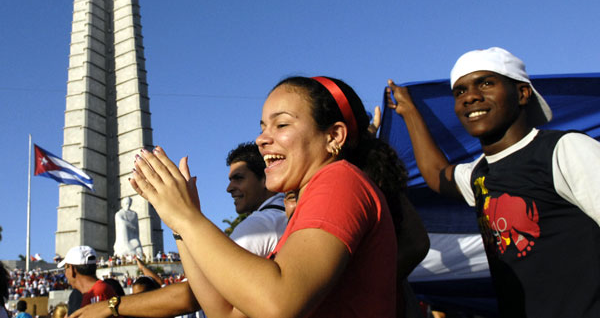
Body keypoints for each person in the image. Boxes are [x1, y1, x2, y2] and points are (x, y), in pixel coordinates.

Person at [128, 76, 401, 318]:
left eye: (281, 124)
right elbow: (224, 313)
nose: (261, 139)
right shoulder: (306, 209)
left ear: (334, 136)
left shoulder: (340, 179)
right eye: (262, 128)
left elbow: (277, 303)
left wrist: (187, 218)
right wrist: (180, 225)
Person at [386, 47, 600, 317]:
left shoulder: (565, 150)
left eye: (486, 83)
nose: (470, 97)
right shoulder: (479, 174)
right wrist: (409, 112)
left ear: (522, 94)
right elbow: (437, 174)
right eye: (459, 91)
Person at [71, 142, 288, 318]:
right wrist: (181, 221)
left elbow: (192, 295)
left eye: (239, 178)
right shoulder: (277, 216)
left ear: (264, 177)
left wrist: (111, 306)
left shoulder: (262, 224)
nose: (229, 187)